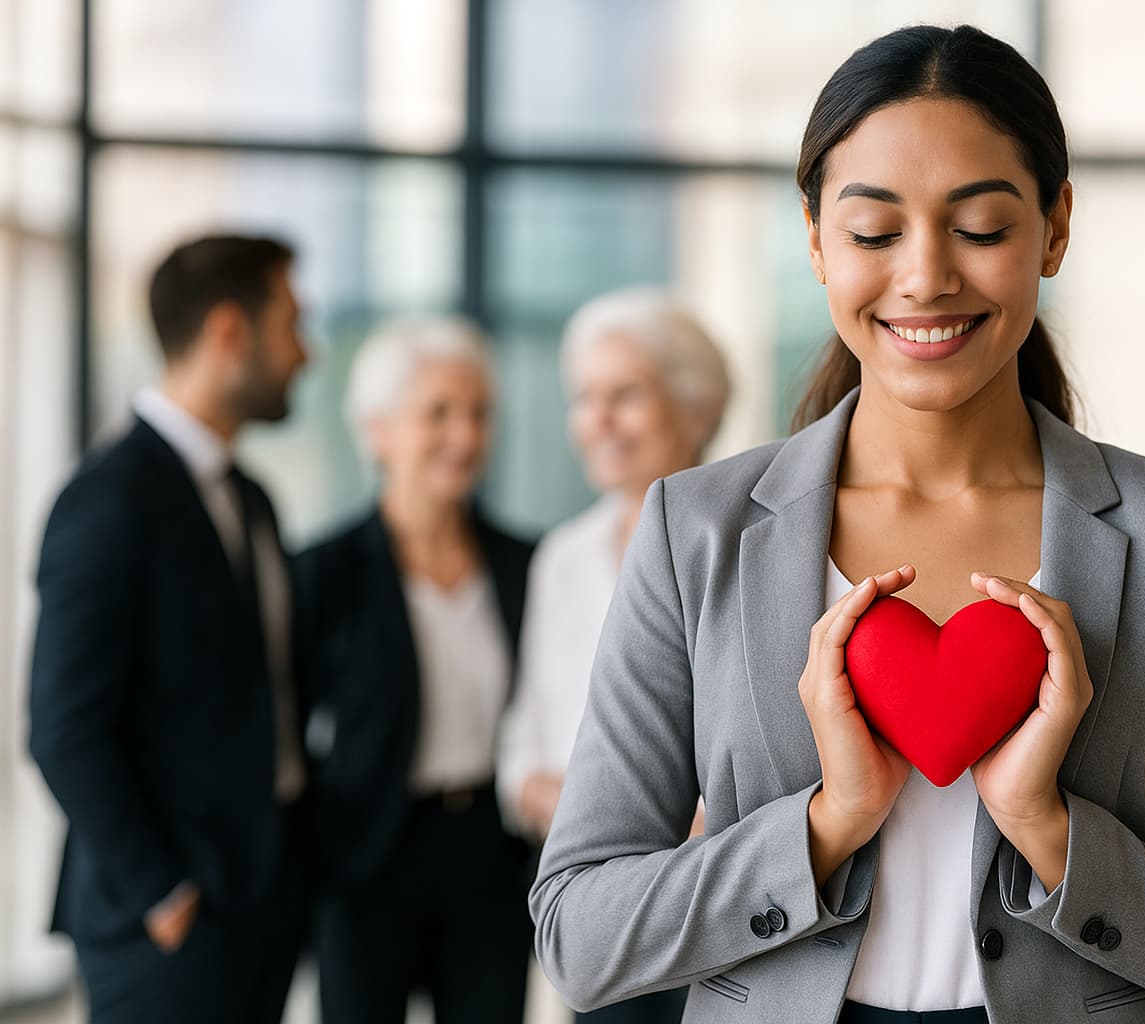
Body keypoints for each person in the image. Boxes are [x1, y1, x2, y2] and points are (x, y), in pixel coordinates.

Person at [530, 24, 1145, 1024]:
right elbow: (579, 935)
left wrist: (1050, 829)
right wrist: (826, 825)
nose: (925, 277)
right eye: (874, 233)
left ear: (1055, 227)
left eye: (982, 228)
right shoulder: (698, 530)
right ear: (816, 240)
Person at [28, 234, 310, 1023]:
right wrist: (162, 889)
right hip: (166, 918)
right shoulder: (108, 498)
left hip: (260, 897)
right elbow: (63, 726)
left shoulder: (249, 496)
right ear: (229, 331)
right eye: (292, 323)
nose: (305, 354)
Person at [292, 317, 536, 1024]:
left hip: (491, 856)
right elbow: (285, 727)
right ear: (377, 432)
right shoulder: (322, 574)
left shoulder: (525, 564)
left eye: (478, 414)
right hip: (369, 858)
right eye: (438, 414)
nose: (464, 436)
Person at [498, 287, 731, 1024]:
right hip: (612, 913)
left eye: (624, 395)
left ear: (697, 408)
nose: (597, 422)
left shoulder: (751, 546)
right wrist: (603, 817)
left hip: (727, 908)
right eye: (583, 398)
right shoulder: (562, 559)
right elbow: (523, 747)